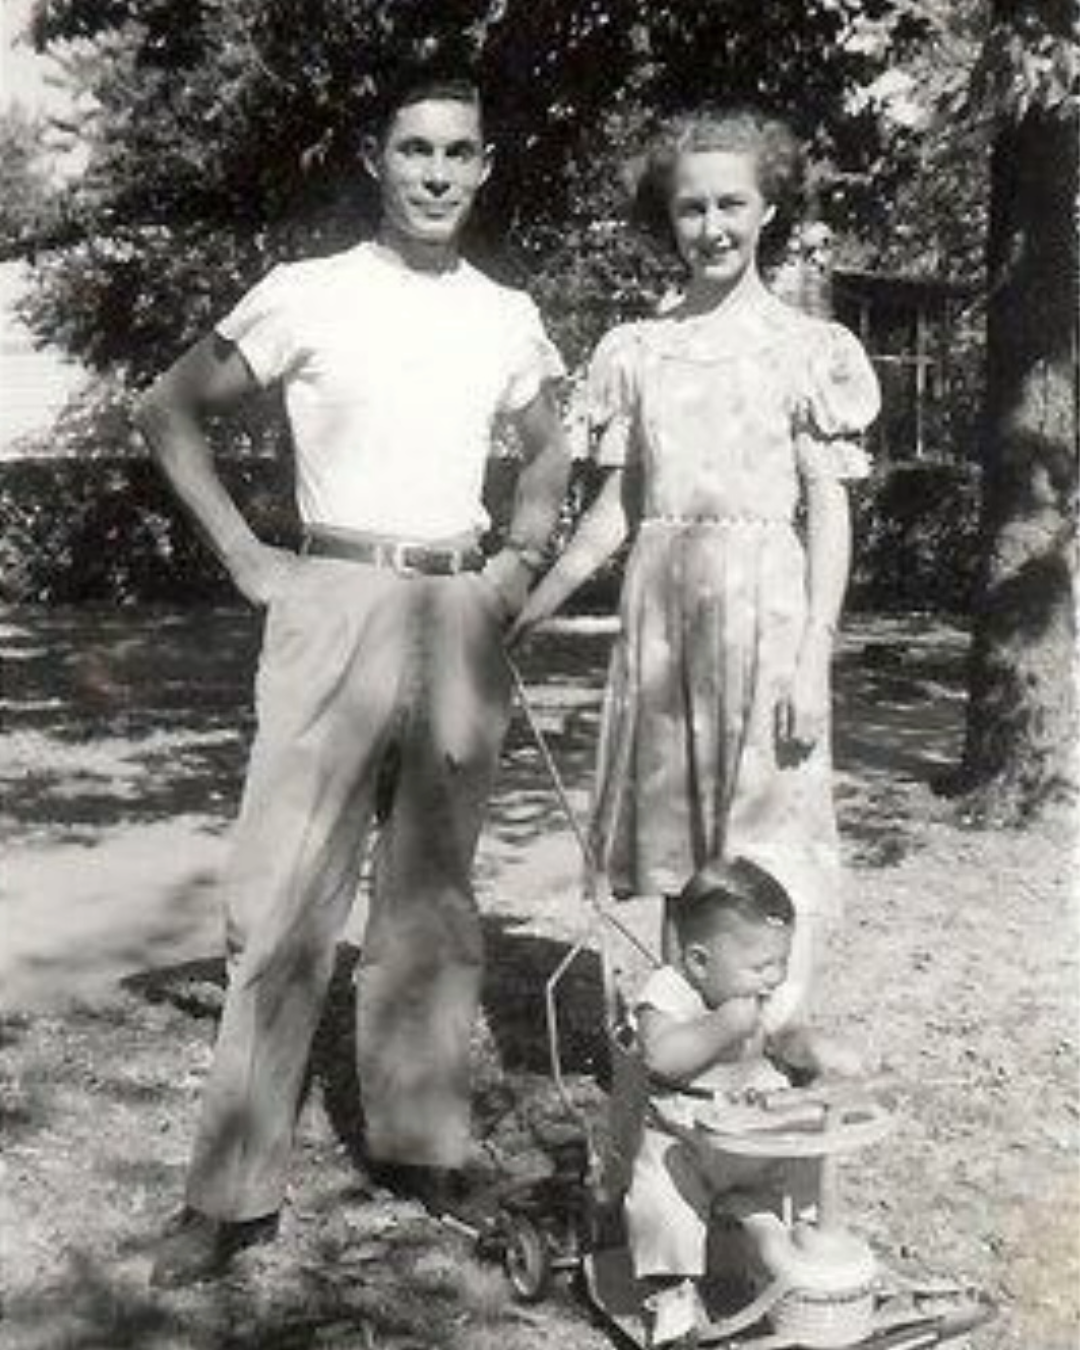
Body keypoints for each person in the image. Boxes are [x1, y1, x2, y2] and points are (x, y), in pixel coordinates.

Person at [135, 67, 570, 1287]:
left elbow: (549, 450)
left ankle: (423, 1146)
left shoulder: (506, 314)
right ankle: (230, 1193)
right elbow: (167, 409)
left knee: (432, 898)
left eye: (458, 152)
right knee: (282, 901)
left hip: (458, 605)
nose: (436, 172)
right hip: (333, 597)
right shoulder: (307, 292)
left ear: (484, 167)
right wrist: (247, 557)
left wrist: (520, 561)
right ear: (376, 160)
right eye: (414, 149)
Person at [510, 105, 881, 1020]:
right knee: (680, 843)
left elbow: (828, 511)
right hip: (664, 623)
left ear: (768, 210)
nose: (712, 227)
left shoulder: (808, 351)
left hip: (767, 619)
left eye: (731, 204)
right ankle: (684, 1045)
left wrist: (815, 657)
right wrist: (534, 604)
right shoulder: (639, 351)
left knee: (769, 837)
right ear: (667, 217)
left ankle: (765, 1039)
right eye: (691, 208)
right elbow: (617, 511)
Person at [625, 859, 861, 1347]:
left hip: (758, 1135)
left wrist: (815, 1048)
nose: (774, 977)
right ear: (699, 962)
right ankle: (671, 1301)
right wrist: (723, 1026)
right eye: (761, 966)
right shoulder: (669, 993)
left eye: (782, 962)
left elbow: (785, 1039)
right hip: (687, 1141)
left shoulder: (761, 996)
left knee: (808, 1162)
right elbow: (661, 1057)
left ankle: (798, 1263)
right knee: (662, 1203)